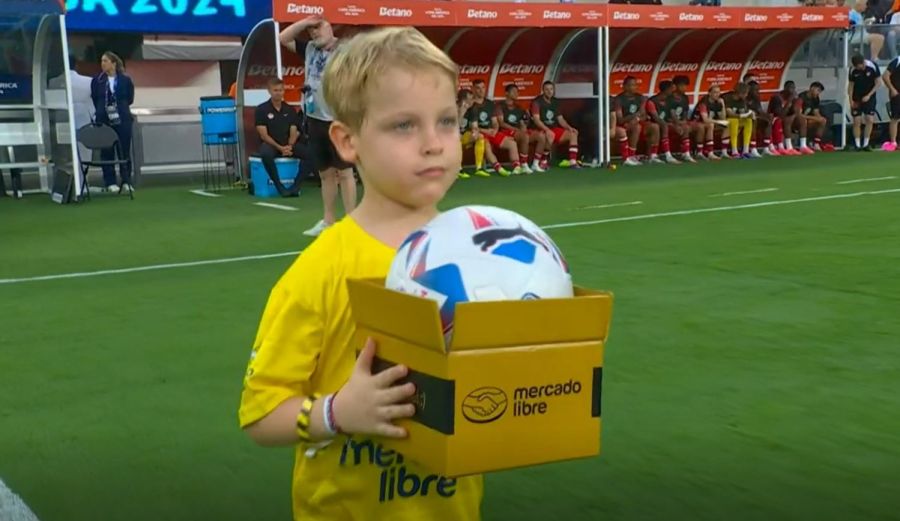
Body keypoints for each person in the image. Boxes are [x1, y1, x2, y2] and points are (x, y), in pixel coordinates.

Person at [239, 26, 482, 520]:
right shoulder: (322, 269)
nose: (434, 144)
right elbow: (261, 414)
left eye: (446, 121)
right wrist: (337, 414)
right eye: (403, 126)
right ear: (347, 141)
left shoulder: (480, 251)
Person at [279, 16, 357, 237]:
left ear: (329, 26)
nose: (314, 34)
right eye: (310, 31)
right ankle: (328, 220)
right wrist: (304, 22)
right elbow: (283, 37)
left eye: (318, 28)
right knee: (325, 173)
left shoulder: (344, 50)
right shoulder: (310, 49)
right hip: (314, 119)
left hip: (338, 119)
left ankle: (351, 222)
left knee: (345, 172)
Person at [90, 51, 135, 193]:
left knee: (124, 150)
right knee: (106, 151)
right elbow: (95, 98)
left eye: (105, 61)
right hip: (104, 119)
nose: (102, 63)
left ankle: (126, 181)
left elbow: (130, 98)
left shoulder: (125, 80)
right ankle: (110, 181)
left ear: (113, 63)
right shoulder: (97, 80)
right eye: (101, 61)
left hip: (122, 119)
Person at [254, 78, 306, 197]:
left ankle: (295, 187)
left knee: (311, 154)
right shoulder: (261, 109)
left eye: (281, 90)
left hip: (287, 144)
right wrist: (280, 148)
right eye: (275, 90)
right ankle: (279, 187)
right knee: (265, 153)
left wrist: (289, 146)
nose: (278, 93)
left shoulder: (290, 109)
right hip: (271, 145)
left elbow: (294, 130)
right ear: (269, 91)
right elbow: (263, 135)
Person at [470, 79, 518, 175]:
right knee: (486, 144)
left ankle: (517, 167)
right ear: (473, 89)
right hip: (479, 134)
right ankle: (498, 168)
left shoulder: (490, 104)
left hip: (491, 132)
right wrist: (486, 131)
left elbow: (495, 122)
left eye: (483, 87)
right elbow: (472, 126)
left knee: (512, 144)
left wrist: (495, 130)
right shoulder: (470, 104)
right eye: (478, 88)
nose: (481, 90)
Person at [529, 81, 581, 168]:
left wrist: (569, 127)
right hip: (540, 129)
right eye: (547, 89)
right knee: (551, 135)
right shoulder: (537, 102)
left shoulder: (555, 101)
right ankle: (543, 161)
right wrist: (547, 130)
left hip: (553, 128)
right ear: (543, 90)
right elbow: (536, 120)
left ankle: (573, 162)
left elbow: (560, 119)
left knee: (573, 134)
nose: (549, 91)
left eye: (551, 89)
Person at [614, 76, 661, 166]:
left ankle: (652, 156)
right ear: (624, 86)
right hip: (624, 125)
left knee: (654, 127)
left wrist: (637, 119)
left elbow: (643, 115)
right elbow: (620, 120)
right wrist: (634, 116)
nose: (634, 87)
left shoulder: (641, 98)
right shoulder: (618, 99)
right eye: (631, 85)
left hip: (637, 122)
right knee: (637, 127)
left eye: (635, 85)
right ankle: (631, 156)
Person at [498, 84, 545, 174]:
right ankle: (524, 165)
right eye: (514, 92)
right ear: (507, 93)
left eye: (517, 91)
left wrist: (524, 126)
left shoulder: (519, 107)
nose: (516, 93)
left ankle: (535, 164)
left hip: (518, 132)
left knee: (541, 136)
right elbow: (501, 123)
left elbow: (523, 122)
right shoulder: (500, 106)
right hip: (505, 132)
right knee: (525, 136)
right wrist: (517, 130)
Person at [456, 89, 494, 178]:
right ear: (463, 100)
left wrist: (475, 131)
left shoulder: (473, 108)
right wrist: (462, 111)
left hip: (463, 135)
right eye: (470, 99)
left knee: (480, 137)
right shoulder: (454, 107)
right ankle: (458, 169)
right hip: (448, 136)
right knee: (456, 139)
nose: (473, 101)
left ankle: (479, 168)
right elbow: (454, 126)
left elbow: (474, 125)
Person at [848, 53, 882, 151]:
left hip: (869, 96)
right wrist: (851, 101)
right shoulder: (852, 70)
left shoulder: (872, 66)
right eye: (859, 67)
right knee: (857, 121)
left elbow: (878, 82)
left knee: (869, 119)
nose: (861, 68)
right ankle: (857, 145)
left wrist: (869, 95)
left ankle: (866, 143)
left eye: (862, 66)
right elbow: (850, 86)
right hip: (856, 97)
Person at [691, 85, 726, 160]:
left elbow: (723, 117)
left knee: (727, 125)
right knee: (707, 125)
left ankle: (722, 152)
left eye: (718, 92)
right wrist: (718, 122)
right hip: (695, 122)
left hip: (708, 123)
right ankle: (699, 152)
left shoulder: (718, 102)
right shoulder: (704, 102)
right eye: (715, 92)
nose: (717, 94)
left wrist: (723, 104)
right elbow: (705, 119)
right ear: (709, 93)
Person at [646, 80, 678, 163]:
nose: (673, 91)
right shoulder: (652, 101)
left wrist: (677, 125)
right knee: (659, 126)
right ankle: (665, 155)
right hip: (651, 124)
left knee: (684, 128)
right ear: (666, 90)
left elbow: (673, 115)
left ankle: (686, 154)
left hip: (664, 123)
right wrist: (666, 124)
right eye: (671, 89)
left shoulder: (670, 100)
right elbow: (655, 118)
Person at [723, 82, 755, 159]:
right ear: (740, 93)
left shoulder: (743, 100)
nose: (746, 95)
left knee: (749, 121)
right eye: (745, 93)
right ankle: (734, 151)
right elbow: (730, 113)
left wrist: (751, 114)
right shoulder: (728, 98)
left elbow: (745, 111)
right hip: (726, 120)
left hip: (738, 119)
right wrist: (742, 115)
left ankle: (745, 151)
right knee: (734, 120)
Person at [882, 54, 900, 150]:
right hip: (897, 94)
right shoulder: (897, 61)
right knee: (895, 118)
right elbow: (885, 76)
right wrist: (892, 89)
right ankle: (893, 142)